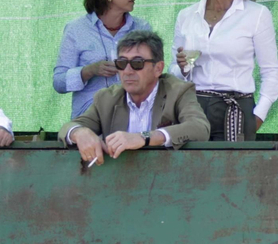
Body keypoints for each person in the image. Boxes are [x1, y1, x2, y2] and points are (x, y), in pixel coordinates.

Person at [174, 0, 278, 141]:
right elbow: (174, 70)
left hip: (237, 108)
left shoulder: (256, 15)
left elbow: (271, 71)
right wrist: (182, 68)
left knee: (232, 172)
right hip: (193, 108)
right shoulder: (186, 16)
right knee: (193, 170)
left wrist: (257, 116)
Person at [62, 29, 210, 166]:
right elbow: (67, 128)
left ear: (158, 68)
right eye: (121, 63)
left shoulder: (178, 91)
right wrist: (79, 133)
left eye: (137, 63)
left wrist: (144, 138)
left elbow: (200, 128)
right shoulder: (106, 98)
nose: (127, 71)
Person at [54, 0, 150, 119]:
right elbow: (59, 83)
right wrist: (88, 71)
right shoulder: (76, 30)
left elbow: (153, 76)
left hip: (133, 121)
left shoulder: (142, 29)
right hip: (89, 123)